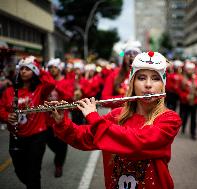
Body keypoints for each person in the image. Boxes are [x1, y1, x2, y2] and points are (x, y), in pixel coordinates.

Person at [47, 51, 182, 189]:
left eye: (155, 78)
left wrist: (94, 117)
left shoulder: (169, 119)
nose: (148, 84)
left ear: (162, 84)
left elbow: (139, 142)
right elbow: (85, 138)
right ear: (133, 83)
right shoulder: (116, 115)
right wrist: (61, 122)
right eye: (141, 78)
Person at [0, 56, 55, 188]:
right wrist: (7, 116)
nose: (23, 71)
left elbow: (51, 83)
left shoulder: (40, 89)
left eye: (28, 69)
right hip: (16, 137)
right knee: (20, 171)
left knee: (33, 172)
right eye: (22, 69)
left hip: (37, 137)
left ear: (34, 72)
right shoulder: (9, 91)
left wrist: (38, 66)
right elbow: (1, 109)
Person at [46, 58, 73, 177]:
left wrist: (56, 87)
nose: (52, 70)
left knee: (62, 143)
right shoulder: (46, 82)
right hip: (47, 119)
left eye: (54, 67)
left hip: (62, 118)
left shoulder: (66, 82)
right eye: (50, 68)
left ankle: (58, 165)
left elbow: (70, 97)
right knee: (50, 142)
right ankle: (59, 155)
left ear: (59, 68)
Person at [101, 40, 141, 108]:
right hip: (118, 116)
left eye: (135, 53)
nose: (132, 56)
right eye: (128, 53)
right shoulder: (115, 74)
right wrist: (125, 98)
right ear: (124, 57)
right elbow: (104, 100)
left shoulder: (144, 73)